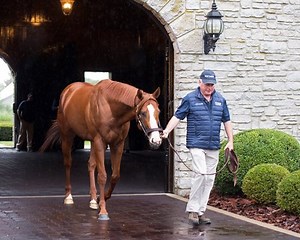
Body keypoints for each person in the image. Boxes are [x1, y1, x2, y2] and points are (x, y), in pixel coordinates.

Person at [162, 69, 234, 225]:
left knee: (209, 179)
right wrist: (167, 131)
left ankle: (201, 211)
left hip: (213, 145)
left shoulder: (220, 100)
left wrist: (230, 141)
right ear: (199, 82)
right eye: (207, 84)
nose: (209, 87)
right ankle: (192, 210)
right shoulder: (190, 99)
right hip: (196, 144)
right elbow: (177, 116)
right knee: (200, 174)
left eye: (212, 85)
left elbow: (226, 120)